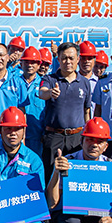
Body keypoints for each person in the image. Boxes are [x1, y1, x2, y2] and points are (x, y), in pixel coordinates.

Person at [39, 42, 91, 182]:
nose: (68, 62)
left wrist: (86, 135)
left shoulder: (85, 82)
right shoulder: (50, 79)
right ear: (58, 59)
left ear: (78, 59)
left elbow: (86, 111)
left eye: (71, 58)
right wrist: (50, 92)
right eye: (64, 58)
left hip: (77, 137)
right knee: (51, 175)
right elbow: (42, 92)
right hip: (54, 136)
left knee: (76, 177)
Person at [20, 47, 46, 157]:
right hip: (16, 134)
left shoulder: (45, 84)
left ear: (39, 65)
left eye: (33, 62)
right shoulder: (13, 83)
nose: (29, 65)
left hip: (37, 136)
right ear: (21, 64)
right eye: (26, 62)